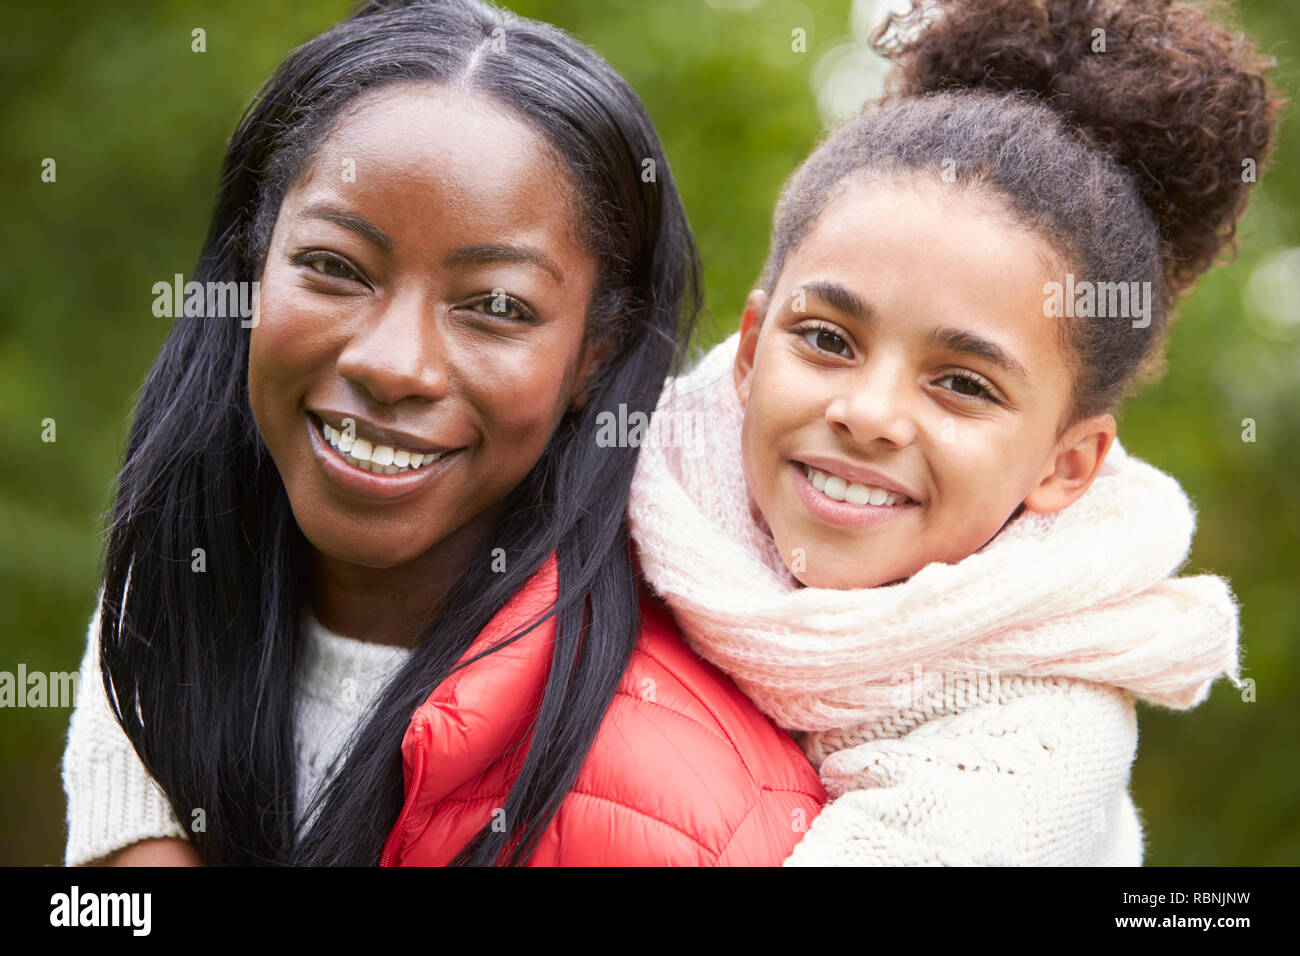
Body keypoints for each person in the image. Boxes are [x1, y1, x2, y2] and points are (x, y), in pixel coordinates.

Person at [62, 0, 824, 867]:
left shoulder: (686, 810)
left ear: (593, 357)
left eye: (496, 307)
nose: (394, 366)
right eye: (334, 267)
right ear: (250, 269)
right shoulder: (161, 633)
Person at [628, 0, 1280, 864]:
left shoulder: (1034, 750)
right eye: (827, 339)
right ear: (750, 349)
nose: (867, 413)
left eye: (963, 385)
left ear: (1066, 464)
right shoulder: (620, 478)